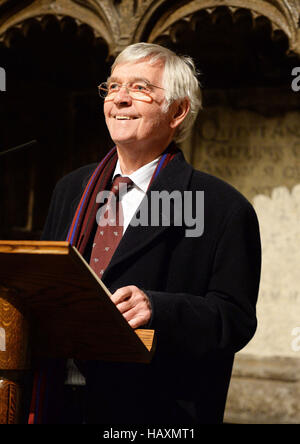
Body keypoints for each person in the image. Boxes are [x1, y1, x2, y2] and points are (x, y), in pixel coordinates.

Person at [31, 42, 261, 424]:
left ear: (178, 110)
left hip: (150, 410)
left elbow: (234, 320)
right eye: (113, 87)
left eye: (139, 88)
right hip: (56, 399)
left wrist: (159, 308)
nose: (119, 99)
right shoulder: (72, 188)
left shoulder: (223, 207)